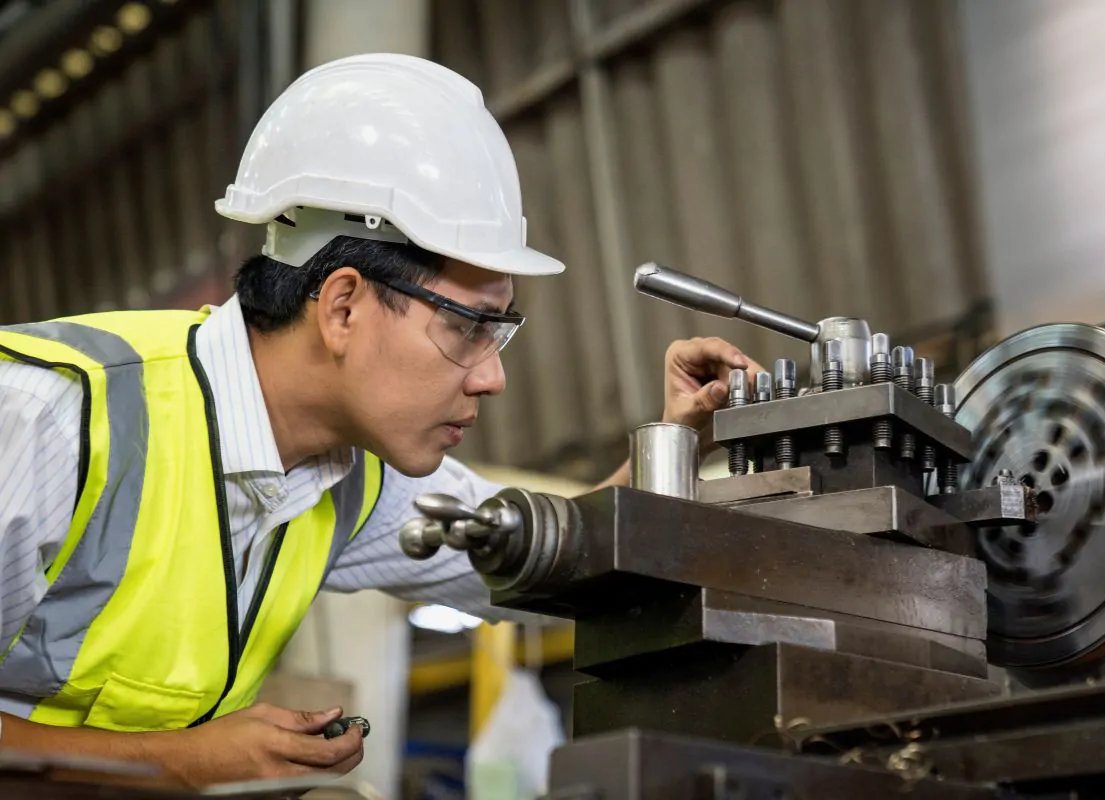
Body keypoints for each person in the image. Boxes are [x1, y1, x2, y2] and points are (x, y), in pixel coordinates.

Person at [0, 54, 761, 787]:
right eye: (470, 328)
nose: (493, 378)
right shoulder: (54, 418)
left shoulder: (350, 483)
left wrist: (674, 441)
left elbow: (553, 560)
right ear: (343, 306)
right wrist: (186, 764)